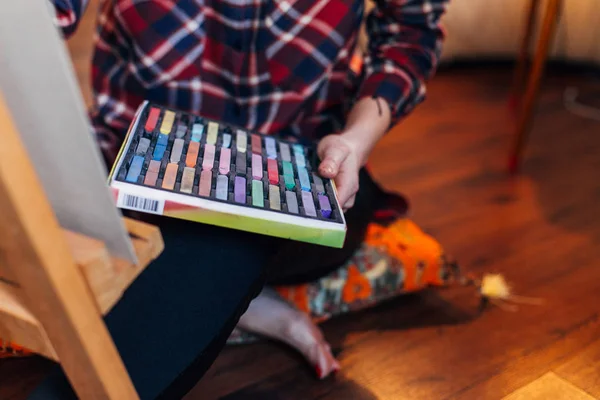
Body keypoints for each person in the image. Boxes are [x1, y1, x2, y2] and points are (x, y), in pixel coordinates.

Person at [38, 0, 449, 397]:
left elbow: (410, 29)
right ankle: (243, 301)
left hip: (303, 176)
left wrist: (355, 140)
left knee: (219, 244)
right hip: (132, 178)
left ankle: (232, 296)